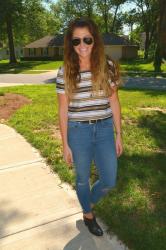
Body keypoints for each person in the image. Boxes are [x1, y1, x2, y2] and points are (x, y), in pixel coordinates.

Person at [56, 17, 123, 236]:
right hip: (78, 132)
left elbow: (113, 101)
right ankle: (88, 214)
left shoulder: (107, 65)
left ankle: (89, 203)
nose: (82, 45)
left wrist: (118, 134)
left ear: (94, 40)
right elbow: (63, 110)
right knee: (82, 178)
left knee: (109, 180)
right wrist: (65, 143)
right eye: (76, 41)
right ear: (70, 44)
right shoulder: (64, 71)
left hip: (104, 130)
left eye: (87, 39)